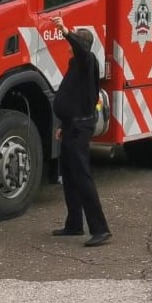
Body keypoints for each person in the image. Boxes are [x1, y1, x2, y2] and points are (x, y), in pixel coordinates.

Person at [50, 15, 111, 247]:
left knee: (82, 176)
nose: (69, 48)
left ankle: (101, 229)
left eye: (74, 42)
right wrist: (61, 126)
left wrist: (65, 31)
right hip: (69, 126)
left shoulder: (88, 61)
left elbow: (80, 50)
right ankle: (74, 224)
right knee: (69, 176)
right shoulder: (75, 64)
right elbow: (70, 96)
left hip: (80, 127)